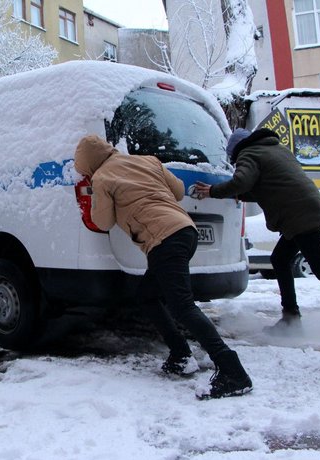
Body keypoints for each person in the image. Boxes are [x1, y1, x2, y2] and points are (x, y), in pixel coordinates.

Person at [74, 134, 252, 399]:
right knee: (147, 295)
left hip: (164, 240)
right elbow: (178, 191)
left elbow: (103, 221)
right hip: (184, 231)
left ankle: (232, 370)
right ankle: (180, 355)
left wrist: (95, 190)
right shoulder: (147, 161)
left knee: (182, 306)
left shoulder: (102, 178)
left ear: (88, 164)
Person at [194, 128, 320, 343]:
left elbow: (242, 181)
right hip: (307, 207)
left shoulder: (249, 153)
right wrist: (240, 195)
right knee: (280, 259)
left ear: (236, 150)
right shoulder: (275, 149)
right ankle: (291, 317)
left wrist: (213, 191)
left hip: (299, 214)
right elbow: (271, 185)